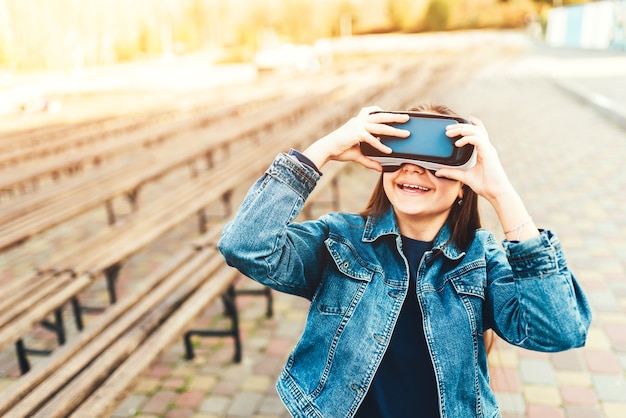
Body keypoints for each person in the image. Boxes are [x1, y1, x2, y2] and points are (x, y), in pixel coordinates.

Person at [218, 104, 592, 418]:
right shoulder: (339, 240)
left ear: (463, 186)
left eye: (433, 163)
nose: (413, 170)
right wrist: (325, 149)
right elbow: (245, 245)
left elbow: (559, 330)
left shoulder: (481, 258)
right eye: (400, 158)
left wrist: (500, 191)